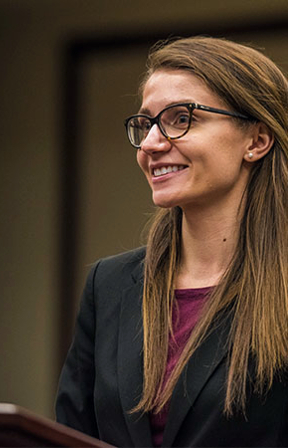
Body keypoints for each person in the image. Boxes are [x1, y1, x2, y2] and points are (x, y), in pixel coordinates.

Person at [56, 36, 288, 447]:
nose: (150, 144)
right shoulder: (107, 285)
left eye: (182, 118)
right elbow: (72, 434)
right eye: (146, 124)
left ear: (257, 140)